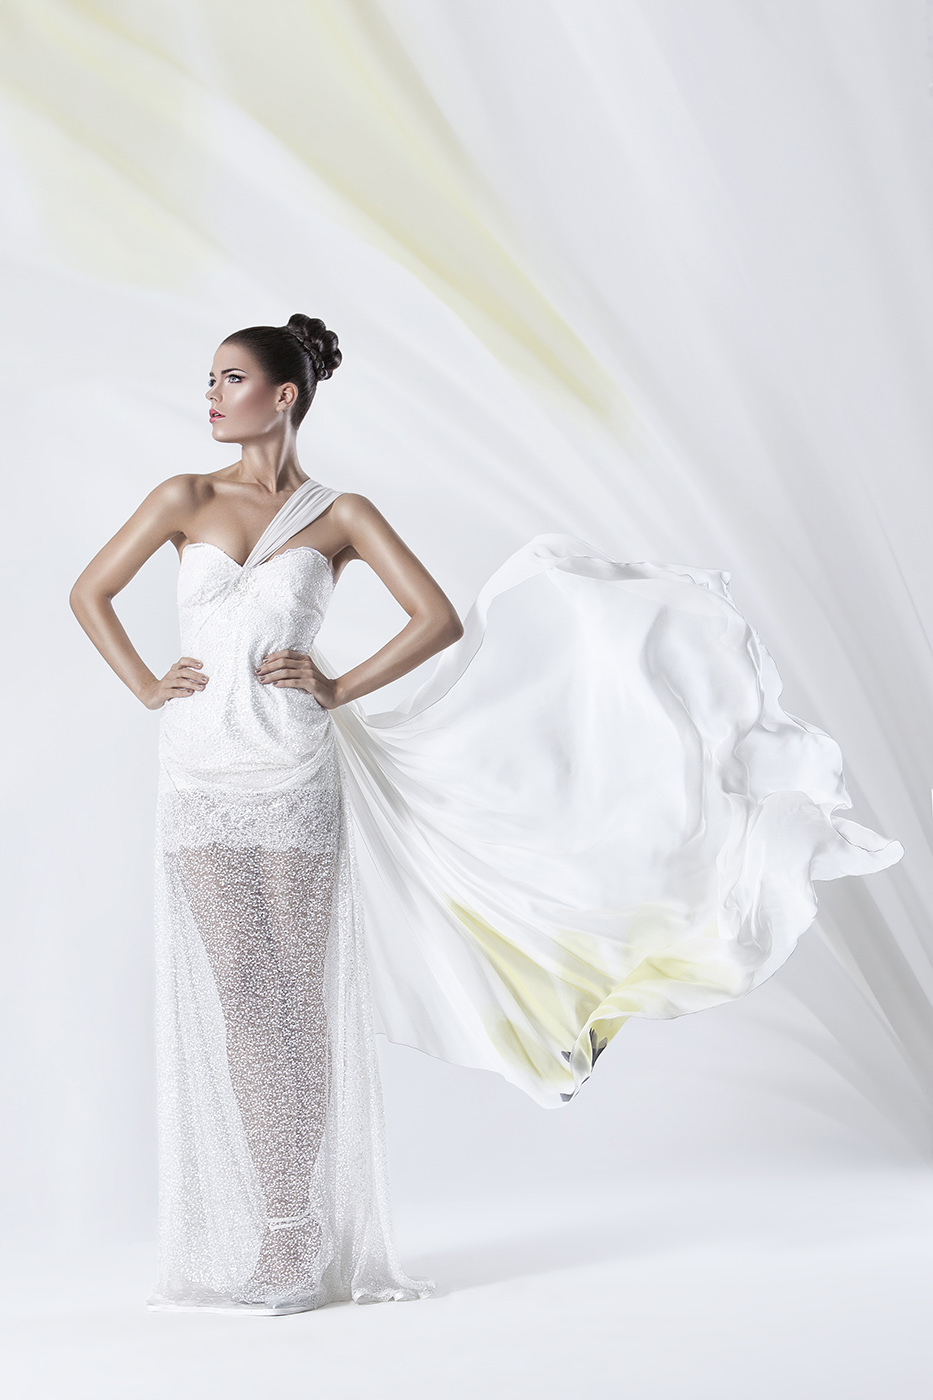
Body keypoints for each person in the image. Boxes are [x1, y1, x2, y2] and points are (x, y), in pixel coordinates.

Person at [70, 313, 904, 1316]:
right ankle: (274, 1222)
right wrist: (147, 684)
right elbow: (90, 592)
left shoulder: (340, 514)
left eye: (230, 378)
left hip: (291, 772)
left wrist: (335, 686)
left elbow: (436, 618)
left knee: (295, 997)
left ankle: (293, 1232)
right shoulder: (183, 497)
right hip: (199, 776)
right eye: (209, 378)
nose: (209, 395)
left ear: (283, 396)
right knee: (243, 997)